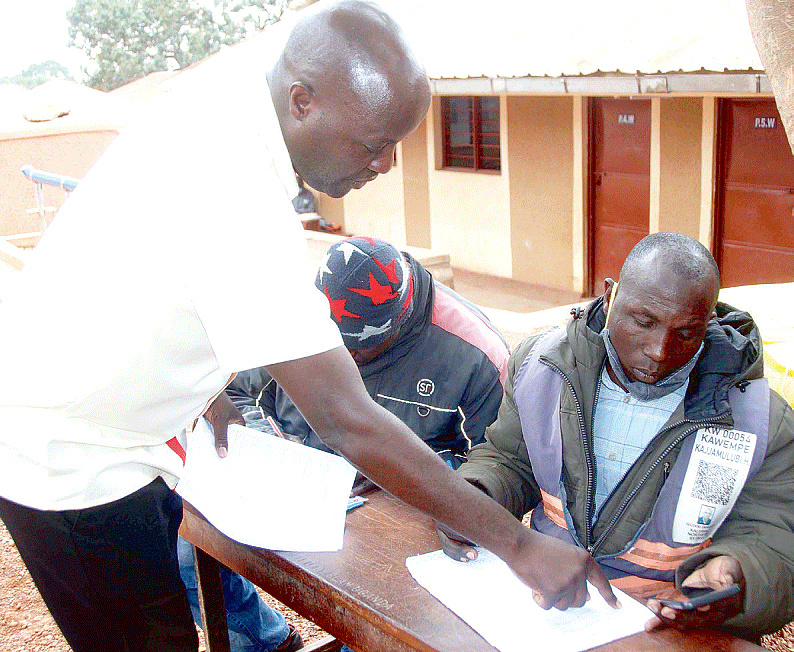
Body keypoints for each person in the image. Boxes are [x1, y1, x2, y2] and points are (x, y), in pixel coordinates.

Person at [0, 2, 617, 651]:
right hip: (71, 463)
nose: (386, 164)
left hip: (116, 435)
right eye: (373, 144)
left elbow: (151, 264)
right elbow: (345, 416)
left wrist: (202, 392)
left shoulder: (230, 103)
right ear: (302, 101)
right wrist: (520, 546)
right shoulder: (233, 190)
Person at [438, 232, 794, 640]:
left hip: (669, 629)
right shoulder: (542, 367)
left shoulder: (759, 421)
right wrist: (475, 498)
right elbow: (508, 459)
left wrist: (738, 576)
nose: (660, 350)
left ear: (708, 321)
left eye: (686, 332)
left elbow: (775, 539)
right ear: (610, 297)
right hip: (544, 605)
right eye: (644, 322)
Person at [179, 235, 510, 649]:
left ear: (399, 322)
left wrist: (401, 474)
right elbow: (238, 392)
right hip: (297, 485)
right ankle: (268, 643)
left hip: (399, 504)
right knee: (184, 554)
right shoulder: (292, 311)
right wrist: (270, 450)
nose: (345, 357)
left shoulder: (476, 352)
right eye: (333, 341)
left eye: (360, 349)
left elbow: (497, 463)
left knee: (374, 605)